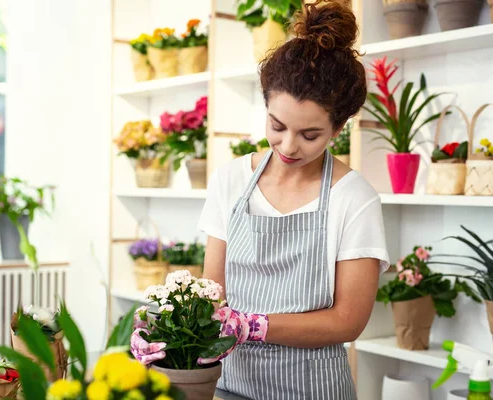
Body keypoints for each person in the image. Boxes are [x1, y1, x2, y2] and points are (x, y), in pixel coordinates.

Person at [132, 1, 389, 399]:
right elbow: (212, 293)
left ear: (338, 126)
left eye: (310, 135)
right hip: (227, 384)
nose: (289, 146)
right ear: (266, 104)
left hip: (313, 390)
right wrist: (166, 327)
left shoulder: (354, 198)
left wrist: (254, 325)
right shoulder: (231, 180)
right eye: (277, 125)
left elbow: (347, 321)